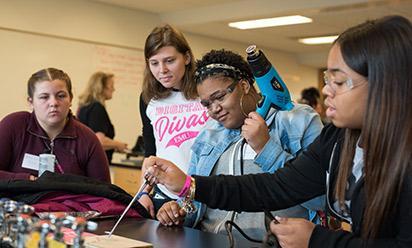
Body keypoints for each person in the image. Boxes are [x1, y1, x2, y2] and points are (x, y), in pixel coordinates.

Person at [144, 15, 412, 247]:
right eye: (327, 80)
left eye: (339, 81)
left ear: (385, 85)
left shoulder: (402, 158)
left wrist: (318, 240)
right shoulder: (339, 139)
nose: (327, 90)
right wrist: (190, 187)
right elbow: (274, 187)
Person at [155, 49, 324, 240]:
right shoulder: (208, 134)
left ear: (244, 85)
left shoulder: (298, 121)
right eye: (207, 104)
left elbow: (321, 199)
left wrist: (265, 148)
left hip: (273, 242)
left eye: (219, 97)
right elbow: (195, 201)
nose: (214, 109)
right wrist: (179, 211)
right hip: (210, 240)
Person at [138, 24, 208, 216]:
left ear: (186, 58)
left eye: (169, 61)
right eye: (154, 63)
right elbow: (151, 152)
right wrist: (144, 193)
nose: (162, 70)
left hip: (206, 192)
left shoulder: (206, 91)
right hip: (165, 194)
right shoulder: (148, 99)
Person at [0, 68, 111, 183]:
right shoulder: (13, 126)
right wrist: (29, 180)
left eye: (61, 96)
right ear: (31, 102)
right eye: (44, 97)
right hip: (17, 200)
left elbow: (105, 190)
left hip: (67, 201)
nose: (53, 103)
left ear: (71, 99)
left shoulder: (88, 139)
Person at [77, 72, 128, 163]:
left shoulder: (84, 107)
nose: (114, 89)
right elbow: (99, 141)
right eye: (111, 86)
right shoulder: (97, 108)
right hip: (95, 163)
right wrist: (118, 144)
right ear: (101, 87)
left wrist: (113, 146)